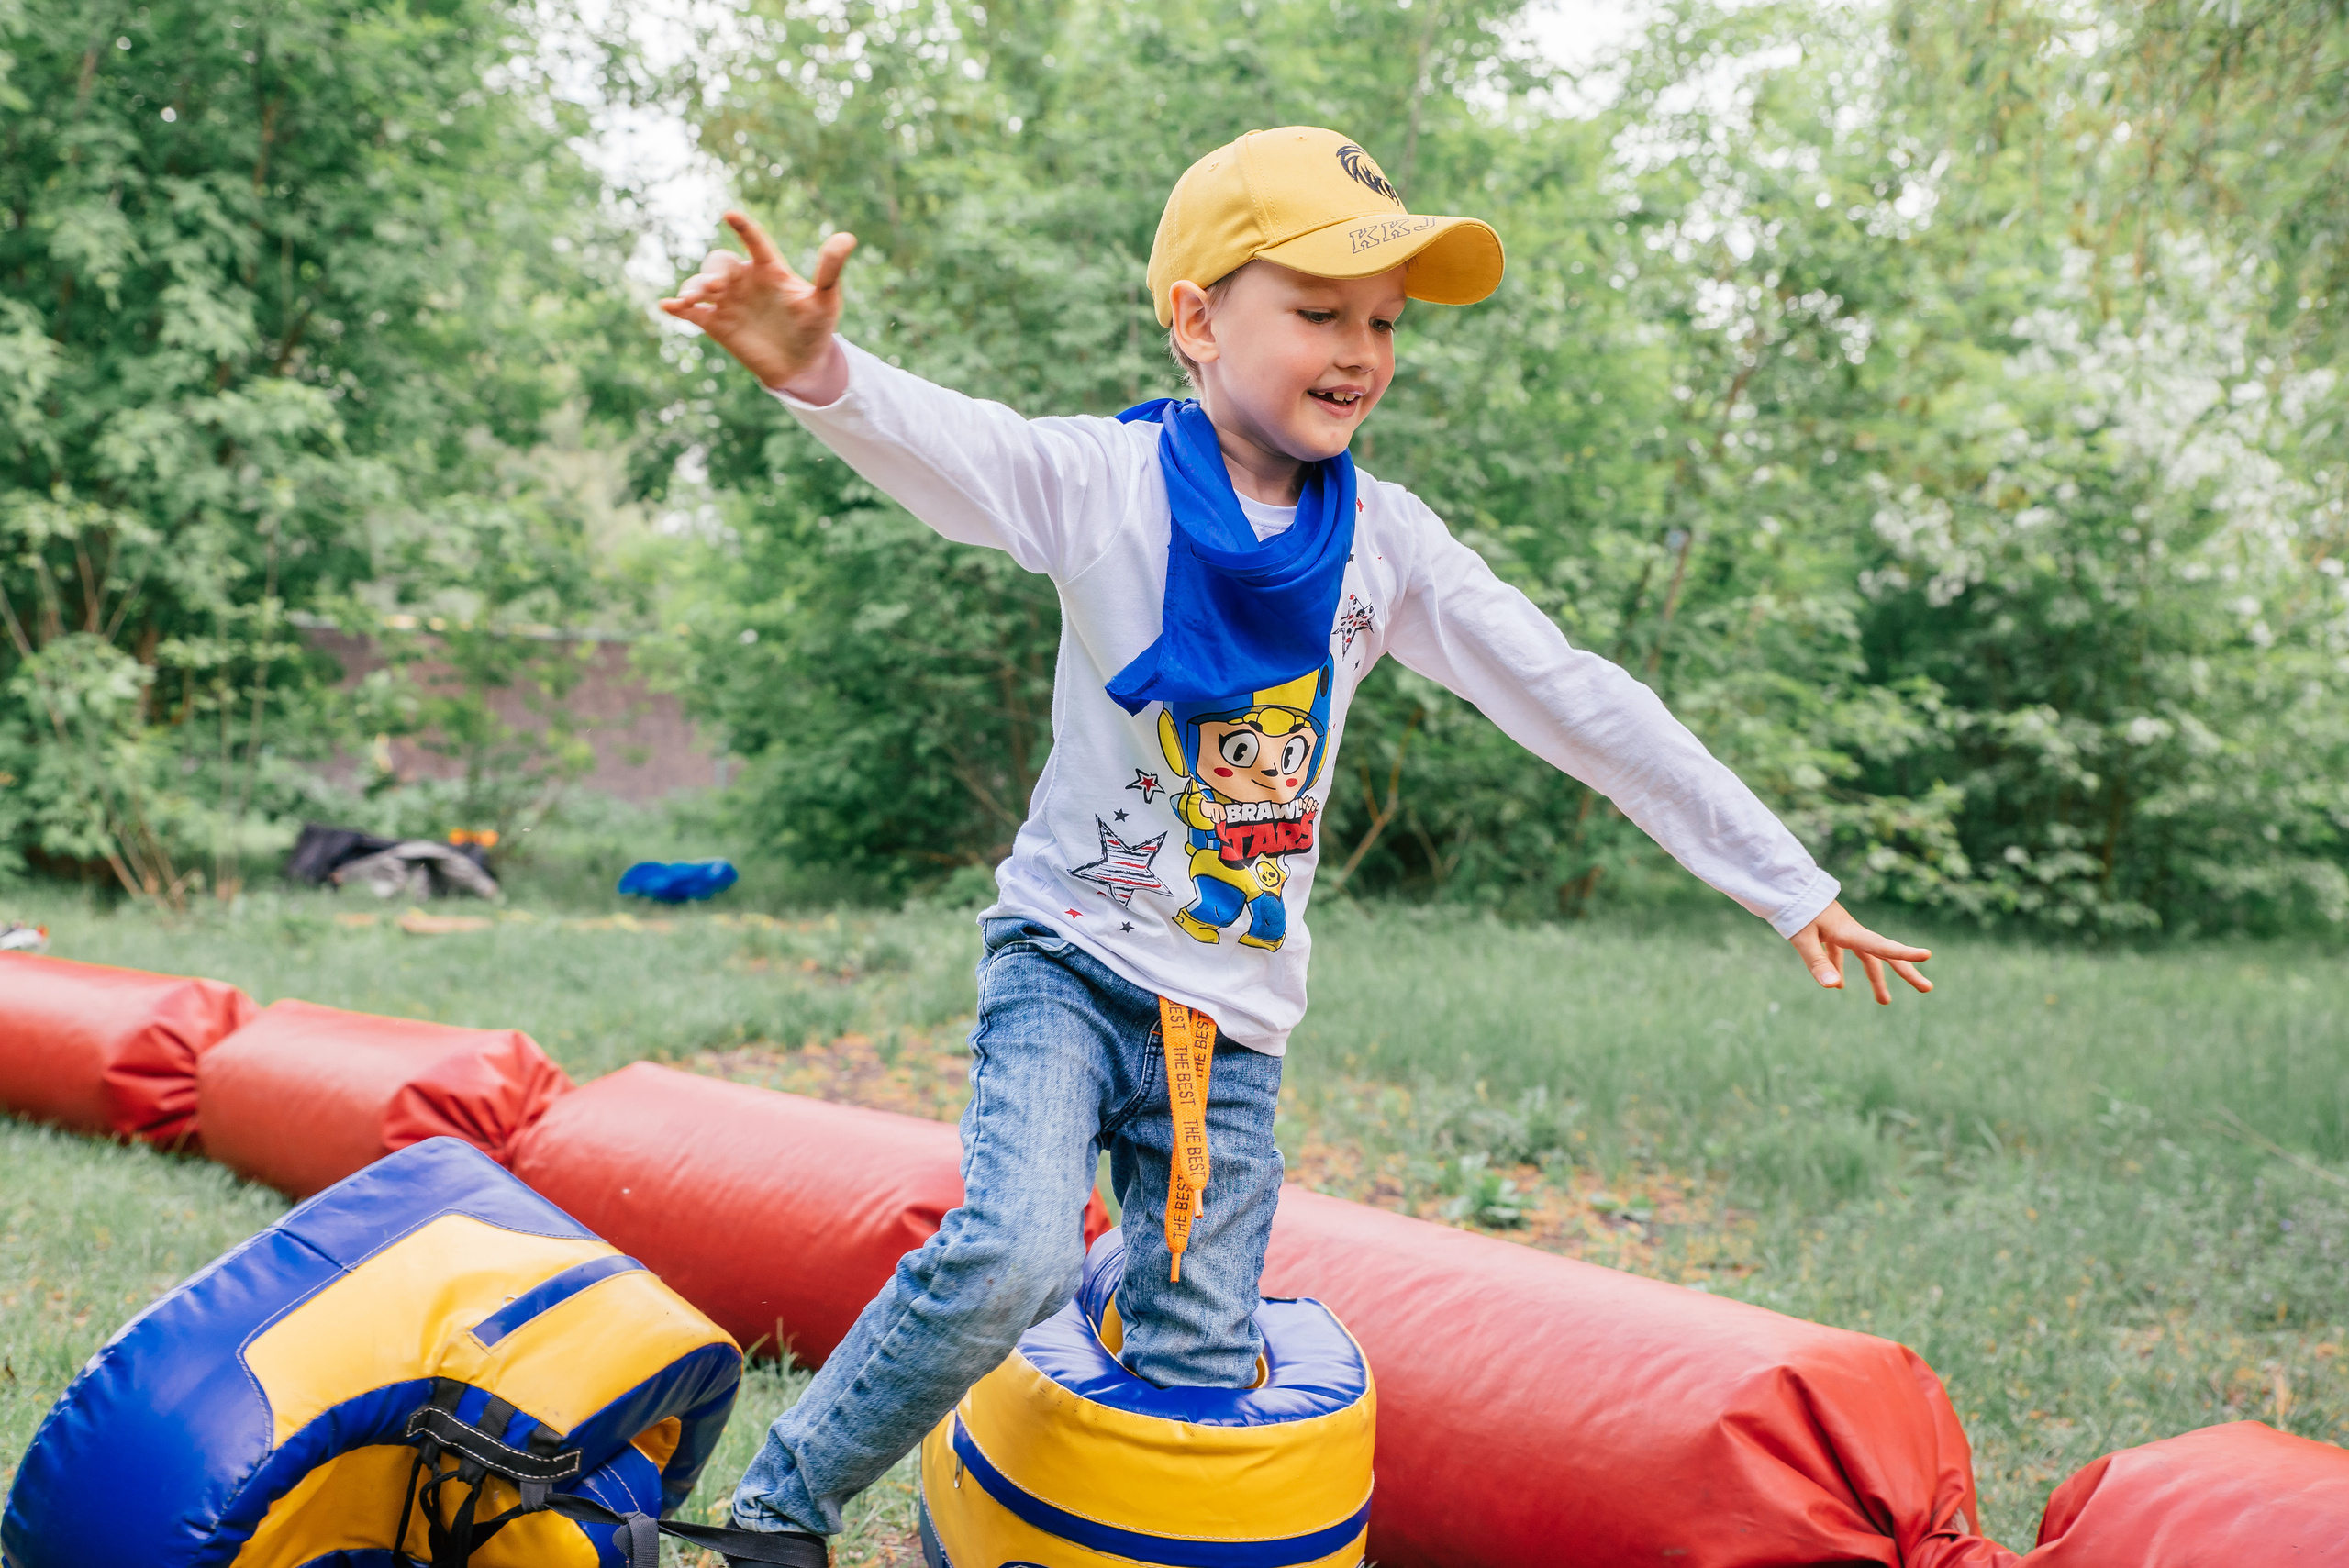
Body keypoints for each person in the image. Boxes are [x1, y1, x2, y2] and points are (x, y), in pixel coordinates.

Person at [662, 126, 1933, 1555]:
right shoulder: (1110, 485)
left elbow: (1577, 696)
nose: (1362, 349)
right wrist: (815, 369)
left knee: (1203, 1362)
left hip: (1236, 1018)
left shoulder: (1386, 544)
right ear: (1200, 319)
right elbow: (963, 453)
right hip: (1069, 959)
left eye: (1384, 321)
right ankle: (780, 1503)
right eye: (1320, 311)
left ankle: (1097, 1420)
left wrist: (1786, 880)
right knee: (1013, 1246)